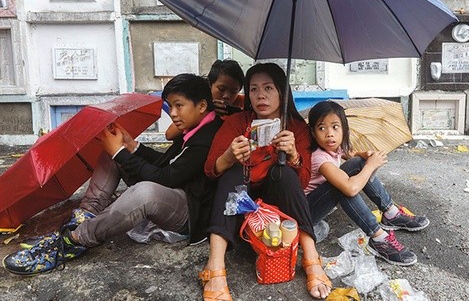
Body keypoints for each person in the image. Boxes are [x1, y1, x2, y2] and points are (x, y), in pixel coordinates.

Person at [3, 73, 222, 275]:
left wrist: (120, 152)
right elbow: (172, 165)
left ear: (202, 105)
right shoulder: (198, 126)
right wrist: (132, 146)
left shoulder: (207, 138)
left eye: (179, 105)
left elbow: (165, 178)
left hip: (188, 214)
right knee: (112, 155)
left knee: (144, 191)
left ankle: (73, 240)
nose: (172, 113)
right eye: (170, 106)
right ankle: (87, 214)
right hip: (174, 191)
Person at [200, 63, 331, 300]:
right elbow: (211, 169)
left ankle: (311, 259)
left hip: (276, 215)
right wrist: (229, 156)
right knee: (232, 172)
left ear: (282, 92)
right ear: (248, 94)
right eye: (254, 89)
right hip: (239, 208)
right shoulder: (238, 122)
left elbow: (301, 184)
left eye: (269, 88)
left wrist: (292, 155)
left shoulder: (295, 128)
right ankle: (215, 268)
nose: (261, 95)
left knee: (285, 172)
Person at [306, 100, 429, 266]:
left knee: (359, 163)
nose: (329, 134)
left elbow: (350, 153)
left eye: (335, 127)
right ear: (313, 133)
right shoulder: (319, 157)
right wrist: (370, 165)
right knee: (344, 186)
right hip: (308, 211)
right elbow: (350, 188)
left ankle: (391, 213)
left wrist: (364, 154)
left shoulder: (334, 147)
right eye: (322, 128)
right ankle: (378, 238)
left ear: (344, 129)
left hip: (318, 204)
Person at [165, 59, 244, 140]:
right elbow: (169, 134)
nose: (226, 96)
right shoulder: (199, 105)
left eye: (233, 92)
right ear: (210, 85)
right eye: (221, 89)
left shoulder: (242, 104)